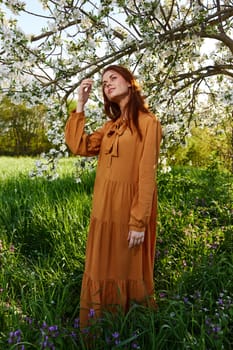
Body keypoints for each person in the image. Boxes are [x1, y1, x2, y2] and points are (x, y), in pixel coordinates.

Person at [65, 65, 162, 327]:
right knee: (99, 269)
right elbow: (79, 146)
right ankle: (99, 330)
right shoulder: (110, 126)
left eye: (113, 78)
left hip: (128, 213)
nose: (107, 84)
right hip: (103, 212)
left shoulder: (148, 123)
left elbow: (147, 175)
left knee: (125, 270)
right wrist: (81, 104)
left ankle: (129, 330)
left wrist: (138, 221)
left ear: (130, 83)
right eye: (104, 82)